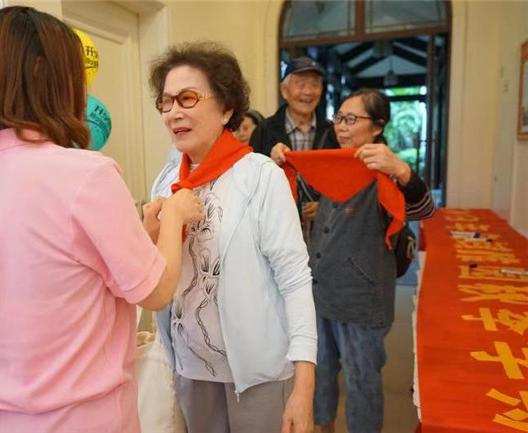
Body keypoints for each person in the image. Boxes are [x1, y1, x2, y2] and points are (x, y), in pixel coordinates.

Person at [0, 7, 203, 433]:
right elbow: (156, 291)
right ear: (47, 76)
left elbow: (66, 270)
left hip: (4, 417)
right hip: (83, 417)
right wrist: (174, 218)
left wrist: (141, 234)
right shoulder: (85, 174)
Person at [146, 41, 317, 433]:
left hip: (258, 373)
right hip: (191, 367)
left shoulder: (260, 176)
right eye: (166, 102)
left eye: (188, 98)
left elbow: (294, 279)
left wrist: (305, 385)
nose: (173, 112)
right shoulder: (167, 181)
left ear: (226, 109)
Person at [277, 88, 435, 433]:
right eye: (339, 118)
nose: (341, 126)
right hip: (321, 293)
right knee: (319, 374)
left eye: (351, 119)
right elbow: (313, 197)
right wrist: (282, 162)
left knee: (361, 380)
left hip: (361, 301)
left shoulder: (386, 171)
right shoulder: (337, 162)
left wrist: (402, 171)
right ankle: (324, 428)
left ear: (377, 126)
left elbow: (424, 210)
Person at [250, 56, 338, 257]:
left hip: (325, 239)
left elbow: (342, 181)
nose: (308, 92)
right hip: (277, 235)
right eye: (301, 84)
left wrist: (325, 207)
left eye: (314, 85)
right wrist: (270, 162)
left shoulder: (332, 131)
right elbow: (249, 182)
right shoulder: (264, 130)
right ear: (284, 90)